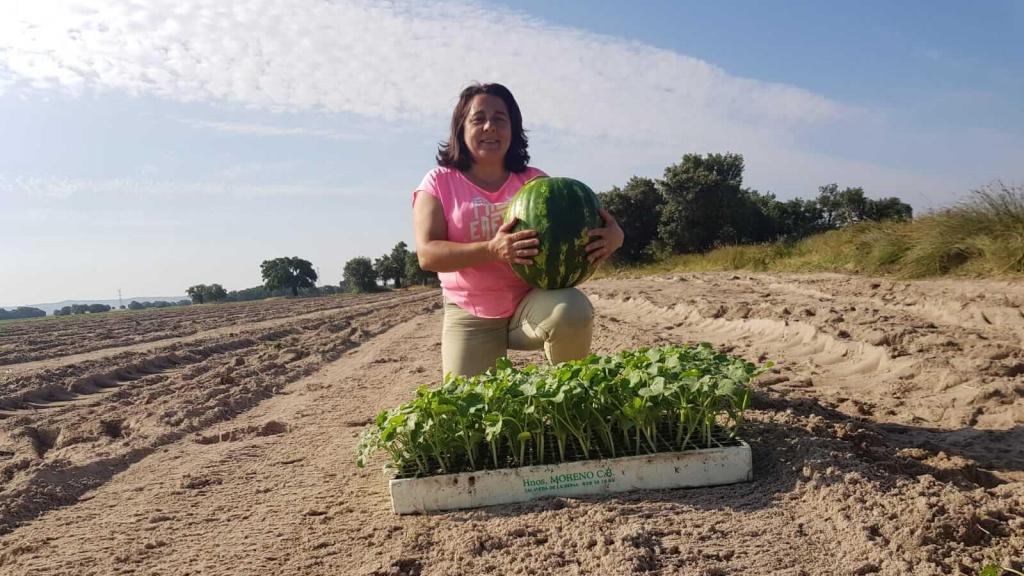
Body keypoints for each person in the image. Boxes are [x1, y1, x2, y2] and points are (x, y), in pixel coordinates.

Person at [412, 82, 624, 377]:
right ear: (461, 128)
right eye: (478, 119)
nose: (490, 127)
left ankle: (569, 398)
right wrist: (492, 249)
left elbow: (574, 235)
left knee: (572, 309)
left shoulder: (537, 182)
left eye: (500, 119)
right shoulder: (439, 182)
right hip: (470, 310)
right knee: (469, 412)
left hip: (532, 302)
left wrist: (615, 237)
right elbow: (428, 254)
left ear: (513, 129)